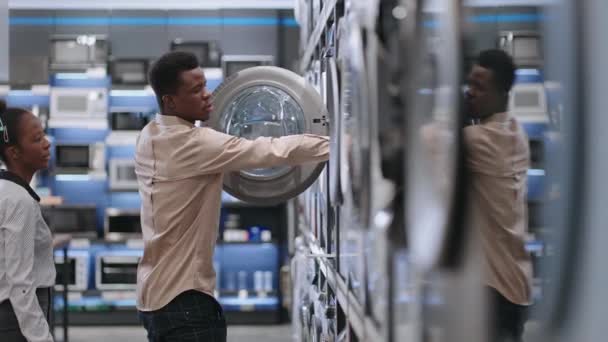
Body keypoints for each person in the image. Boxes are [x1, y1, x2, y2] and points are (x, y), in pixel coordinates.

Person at [135, 51, 329, 342]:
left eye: (205, 85)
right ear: (170, 101)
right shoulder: (192, 144)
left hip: (153, 296)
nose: (207, 95)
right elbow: (270, 149)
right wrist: (337, 143)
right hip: (184, 299)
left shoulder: (149, 135)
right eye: (196, 90)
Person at [464, 49, 532, 342]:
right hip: (516, 284)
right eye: (470, 83)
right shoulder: (516, 132)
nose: (471, 92)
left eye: (480, 87)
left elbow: (425, 142)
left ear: (503, 93)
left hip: (495, 291)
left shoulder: (480, 141)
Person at [0, 100, 55, 342]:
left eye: (43, 135)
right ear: (14, 153)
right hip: (17, 321)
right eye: (36, 139)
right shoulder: (18, 201)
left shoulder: (7, 191)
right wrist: (41, 338)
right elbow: (20, 283)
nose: (47, 143)